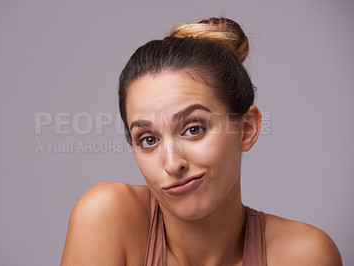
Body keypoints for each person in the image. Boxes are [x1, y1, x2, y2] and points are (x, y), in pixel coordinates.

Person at [60, 17, 342, 265]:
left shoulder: (306, 256)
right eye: (148, 139)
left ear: (246, 129)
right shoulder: (107, 218)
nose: (172, 164)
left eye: (193, 129)